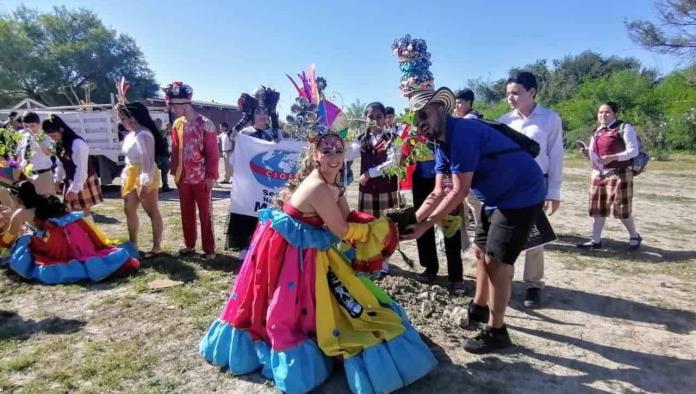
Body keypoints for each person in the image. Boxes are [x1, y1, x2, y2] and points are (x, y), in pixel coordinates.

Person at [199, 131, 437, 393]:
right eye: (327, 151)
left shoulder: (334, 180)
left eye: (338, 150)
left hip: (309, 241)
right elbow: (342, 231)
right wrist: (380, 231)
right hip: (292, 247)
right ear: (315, 155)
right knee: (292, 307)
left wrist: (379, 223)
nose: (333, 156)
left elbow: (349, 215)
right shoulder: (319, 187)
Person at [402, 86, 546, 353]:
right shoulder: (440, 142)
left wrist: (424, 227)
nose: (420, 123)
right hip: (495, 198)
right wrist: (412, 220)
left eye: (424, 114)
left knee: (496, 262)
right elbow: (437, 191)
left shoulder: (463, 133)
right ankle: (479, 307)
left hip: (520, 194)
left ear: (439, 109)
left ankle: (497, 330)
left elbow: (459, 191)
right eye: (415, 118)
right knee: (479, 251)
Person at [499, 71, 564, 309]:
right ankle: (505, 281)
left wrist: (554, 192)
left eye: (516, 93)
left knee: (535, 236)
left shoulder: (549, 119)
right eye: (508, 94)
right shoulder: (505, 121)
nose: (511, 98)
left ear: (532, 92)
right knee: (507, 235)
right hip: (510, 186)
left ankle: (534, 284)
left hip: (538, 184)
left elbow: (556, 157)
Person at [0, 181, 139, 284]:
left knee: (24, 240)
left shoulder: (20, 213)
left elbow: (8, 238)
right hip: (74, 234)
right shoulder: (46, 200)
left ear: (18, 198)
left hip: (55, 241)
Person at [165, 81, 219, 259]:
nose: (172, 109)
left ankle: (209, 248)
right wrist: (174, 171)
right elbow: (175, 149)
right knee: (186, 212)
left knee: (205, 214)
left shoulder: (206, 124)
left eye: (174, 105)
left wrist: (211, 176)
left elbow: (213, 153)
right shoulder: (177, 125)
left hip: (202, 177)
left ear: (184, 104)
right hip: (183, 177)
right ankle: (189, 244)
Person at [577, 101, 642, 250]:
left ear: (614, 113)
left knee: (621, 209)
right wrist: (587, 153)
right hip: (598, 174)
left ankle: (634, 236)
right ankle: (595, 240)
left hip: (619, 173)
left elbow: (633, 151)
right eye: (600, 112)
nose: (603, 115)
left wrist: (614, 157)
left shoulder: (624, 128)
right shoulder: (597, 131)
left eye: (607, 112)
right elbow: (595, 155)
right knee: (597, 209)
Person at [225, 89, 279, 259]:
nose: (262, 115)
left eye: (265, 111)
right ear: (251, 114)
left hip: (268, 182)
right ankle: (245, 245)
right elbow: (234, 157)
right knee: (248, 211)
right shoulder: (244, 134)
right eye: (258, 112)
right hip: (249, 182)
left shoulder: (276, 134)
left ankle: (267, 246)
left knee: (267, 212)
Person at [117, 102, 166, 258]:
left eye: (123, 118)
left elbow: (148, 161)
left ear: (133, 118)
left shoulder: (144, 134)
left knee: (152, 211)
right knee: (128, 209)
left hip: (144, 173)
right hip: (130, 173)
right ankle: (133, 245)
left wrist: (144, 184)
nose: (121, 122)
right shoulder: (131, 134)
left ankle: (156, 246)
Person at [42, 114, 103, 218]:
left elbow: (82, 169)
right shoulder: (60, 143)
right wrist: (57, 180)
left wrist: (75, 189)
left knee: (84, 211)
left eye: (54, 136)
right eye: (50, 136)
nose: (53, 139)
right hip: (70, 179)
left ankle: (89, 233)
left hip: (82, 179)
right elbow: (60, 163)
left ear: (61, 129)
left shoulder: (78, 144)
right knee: (71, 211)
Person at [18, 111, 55, 196]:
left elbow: (48, 152)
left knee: (47, 203)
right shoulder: (22, 135)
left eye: (32, 126)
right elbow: (20, 153)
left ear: (39, 124)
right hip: (27, 175)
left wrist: (36, 137)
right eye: (26, 126)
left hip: (42, 174)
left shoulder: (46, 136)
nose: (29, 129)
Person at [154, 118, 171, 193]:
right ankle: (154, 187)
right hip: (156, 155)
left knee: (165, 169)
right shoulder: (153, 133)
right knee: (154, 171)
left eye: (160, 123)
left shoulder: (162, 131)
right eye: (157, 123)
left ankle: (165, 185)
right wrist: (167, 129)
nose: (159, 125)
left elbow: (167, 133)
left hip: (164, 155)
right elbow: (161, 137)